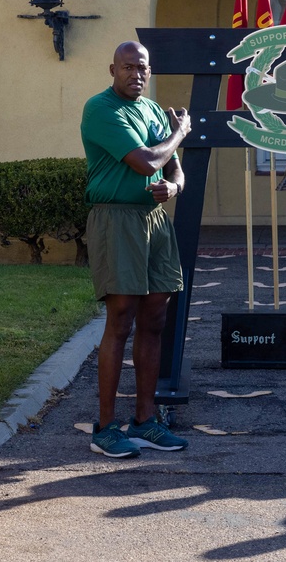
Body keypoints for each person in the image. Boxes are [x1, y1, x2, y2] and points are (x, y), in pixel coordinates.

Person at [81, 41, 192, 457]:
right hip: (116, 219)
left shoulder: (152, 110)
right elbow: (146, 161)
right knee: (122, 316)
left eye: (142, 68)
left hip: (154, 219)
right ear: (113, 69)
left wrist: (175, 186)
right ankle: (105, 428)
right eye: (128, 67)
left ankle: (146, 420)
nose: (137, 75)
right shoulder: (101, 109)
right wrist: (180, 132)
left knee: (155, 316)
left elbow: (171, 166)